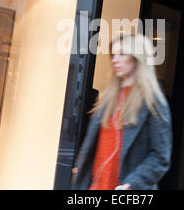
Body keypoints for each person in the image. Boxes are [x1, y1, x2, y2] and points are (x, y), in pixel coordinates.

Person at [71, 33, 172, 190]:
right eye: (114, 54)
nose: (115, 59)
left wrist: (132, 183)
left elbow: (160, 157)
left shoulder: (153, 102)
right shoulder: (107, 98)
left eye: (122, 54)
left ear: (137, 58)